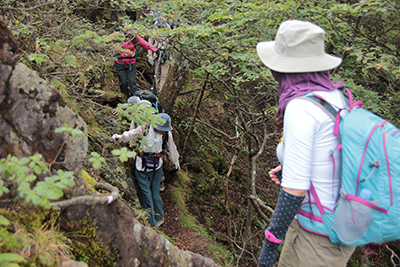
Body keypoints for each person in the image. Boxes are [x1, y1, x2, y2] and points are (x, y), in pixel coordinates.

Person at [256, 20, 356, 267]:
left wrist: (270, 245)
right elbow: (332, 153)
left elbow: (295, 190)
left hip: (317, 235)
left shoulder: (301, 107)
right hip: (340, 224)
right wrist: (291, 165)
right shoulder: (336, 96)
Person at [112, 113, 180, 227]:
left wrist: (175, 161)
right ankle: (151, 222)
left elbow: (171, 149)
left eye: (164, 129)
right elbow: (131, 134)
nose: (163, 131)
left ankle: (159, 217)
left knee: (155, 194)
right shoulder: (145, 129)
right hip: (141, 165)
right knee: (146, 194)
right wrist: (119, 137)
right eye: (161, 129)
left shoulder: (167, 134)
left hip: (157, 167)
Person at [108, 30, 159, 99]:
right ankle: (125, 98)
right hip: (119, 63)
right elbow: (105, 40)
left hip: (131, 63)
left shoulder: (134, 37)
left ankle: (135, 99)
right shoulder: (117, 35)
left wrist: (155, 50)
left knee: (132, 82)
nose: (128, 35)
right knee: (123, 83)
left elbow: (144, 43)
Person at [147, 13, 173, 95]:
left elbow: (173, 44)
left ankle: (161, 92)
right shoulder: (154, 33)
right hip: (156, 55)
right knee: (157, 74)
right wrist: (150, 56)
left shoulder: (169, 32)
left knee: (164, 75)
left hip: (166, 55)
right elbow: (150, 44)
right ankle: (157, 90)